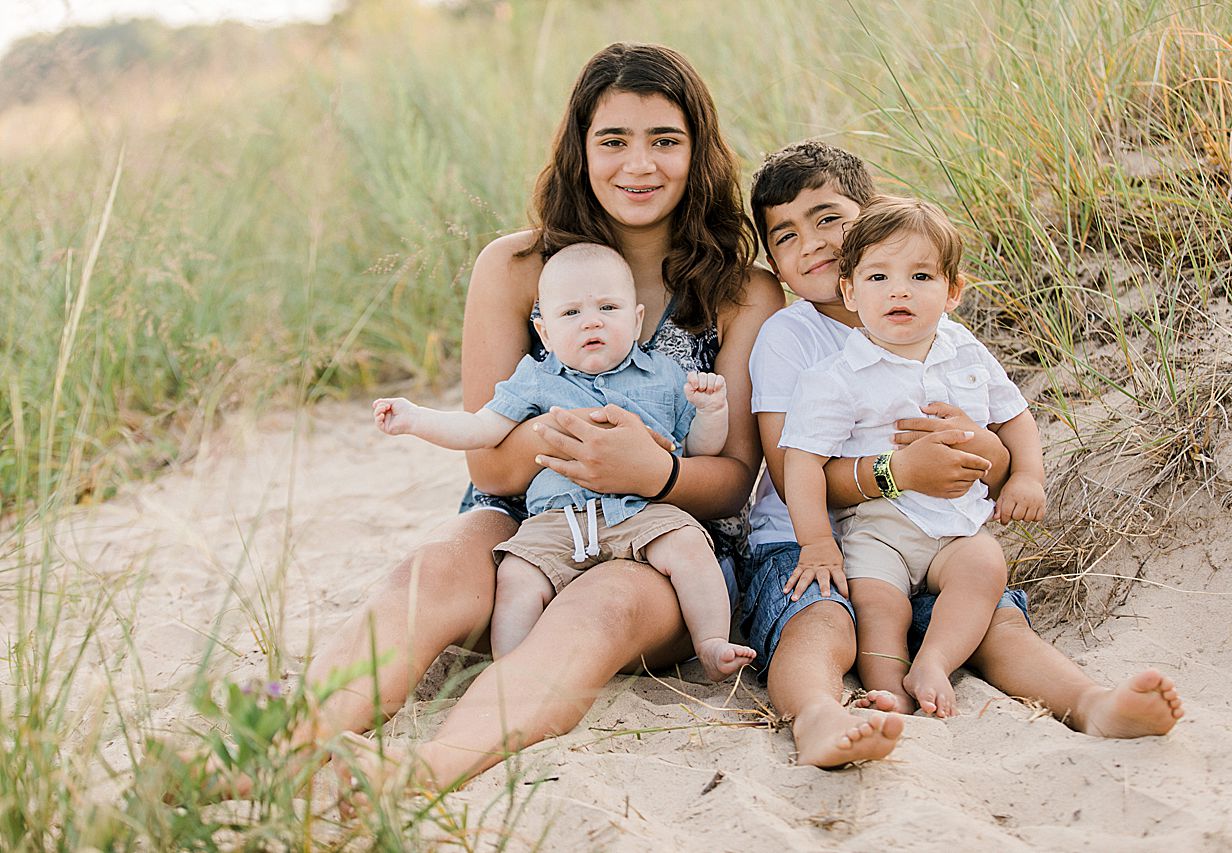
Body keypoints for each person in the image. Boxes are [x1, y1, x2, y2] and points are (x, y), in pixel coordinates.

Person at [279, 41, 829, 796]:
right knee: (432, 567)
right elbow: (491, 467)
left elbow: (734, 480)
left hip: (664, 545)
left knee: (599, 602)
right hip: (525, 525)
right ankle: (277, 748)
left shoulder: (744, 292)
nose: (639, 165)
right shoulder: (514, 268)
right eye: (613, 141)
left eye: (665, 141)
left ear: (697, 152)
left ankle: (425, 768)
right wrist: (551, 440)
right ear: (579, 149)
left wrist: (655, 470)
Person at [739, 140, 1183, 767]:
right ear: (777, 264)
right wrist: (901, 472)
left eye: (828, 219)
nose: (809, 243)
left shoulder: (947, 337)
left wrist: (997, 458)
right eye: (784, 236)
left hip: (942, 531)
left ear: (872, 215)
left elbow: (1002, 436)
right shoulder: (791, 337)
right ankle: (819, 717)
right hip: (814, 538)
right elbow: (793, 470)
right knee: (823, 621)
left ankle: (1092, 704)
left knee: (996, 621)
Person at [371, 243, 755, 680]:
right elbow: (480, 430)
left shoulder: (666, 377)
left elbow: (702, 451)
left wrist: (710, 411)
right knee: (516, 577)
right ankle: (511, 669)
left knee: (688, 545)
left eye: (608, 307)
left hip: (642, 513)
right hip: (557, 521)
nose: (591, 320)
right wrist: (416, 419)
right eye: (570, 313)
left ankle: (711, 643)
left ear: (636, 320)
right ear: (546, 332)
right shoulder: (534, 379)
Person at [780, 195, 1045, 719]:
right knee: (879, 604)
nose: (899, 289)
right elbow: (802, 462)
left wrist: (1028, 477)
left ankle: (934, 665)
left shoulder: (964, 348)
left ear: (952, 292)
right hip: (879, 526)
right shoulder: (835, 377)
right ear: (850, 292)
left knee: (984, 567)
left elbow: (1014, 415)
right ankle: (890, 691)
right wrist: (816, 543)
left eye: (921, 277)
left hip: (957, 523)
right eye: (878, 277)